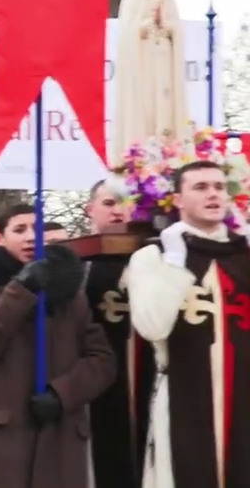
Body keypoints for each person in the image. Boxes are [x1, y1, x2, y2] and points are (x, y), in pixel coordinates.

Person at [0, 203, 116, 488]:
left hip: (59, 436)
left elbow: (101, 360)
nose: (32, 237)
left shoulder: (71, 296)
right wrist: (21, 289)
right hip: (1, 441)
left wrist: (62, 394)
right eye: (20, 230)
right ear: (0, 238)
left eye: (39, 229)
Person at [127, 161, 250, 488]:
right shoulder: (153, 257)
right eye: (200, 187)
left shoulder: (244, 252)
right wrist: (175, 264)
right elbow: (151, 326)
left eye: (219, 187)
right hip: (184, 393)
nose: (213, 194)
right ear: (177, 200)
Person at [82, 179, 152, 488]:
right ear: (91, 210)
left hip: (153, 377)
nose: (118, 212)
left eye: (126, 204)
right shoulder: (77, 262)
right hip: (97, 383)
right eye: (109, 204)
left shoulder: (160, 257)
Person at [110, 0, 189, 166]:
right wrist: (144, 25)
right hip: (143, 65)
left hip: (163, 60)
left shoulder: (168, 0)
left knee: (165, 106)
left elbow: (177, 31)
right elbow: (126, 33)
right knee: (145, 107)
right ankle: (139, 155)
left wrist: (168, 25)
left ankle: (168, 154)